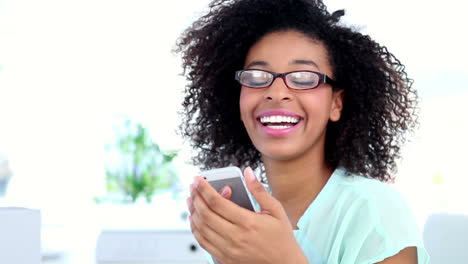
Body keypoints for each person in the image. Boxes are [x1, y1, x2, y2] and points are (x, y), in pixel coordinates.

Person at [175, 0, 430, 263]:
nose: (276, 93)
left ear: (336, 103)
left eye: (304, 78)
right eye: (257, 77)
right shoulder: (243, 226)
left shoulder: (377, 211)